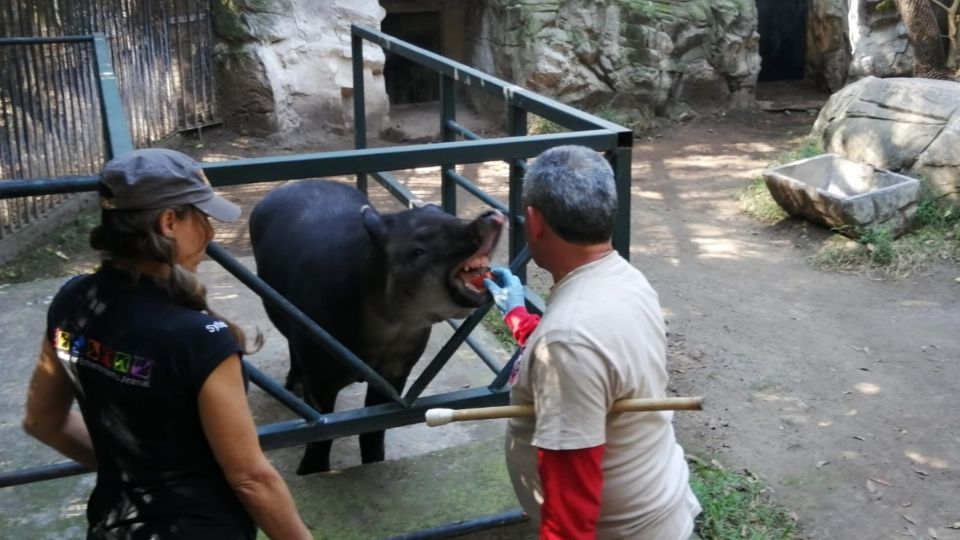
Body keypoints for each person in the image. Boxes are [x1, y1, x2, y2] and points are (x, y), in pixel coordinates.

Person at [22, 148, 311, 539]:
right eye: (203, 215)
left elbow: (42, 420)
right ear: (169, 221)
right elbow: (250, 479)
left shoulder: (73, 300)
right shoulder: (199, 338)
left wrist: (137, 474)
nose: (210, 231)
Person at [484, 145, 701, 539]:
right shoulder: (623, 279)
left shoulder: (569, 342)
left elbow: (570, 518)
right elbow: (591, 362)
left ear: (534, 221)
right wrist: (518, 316)